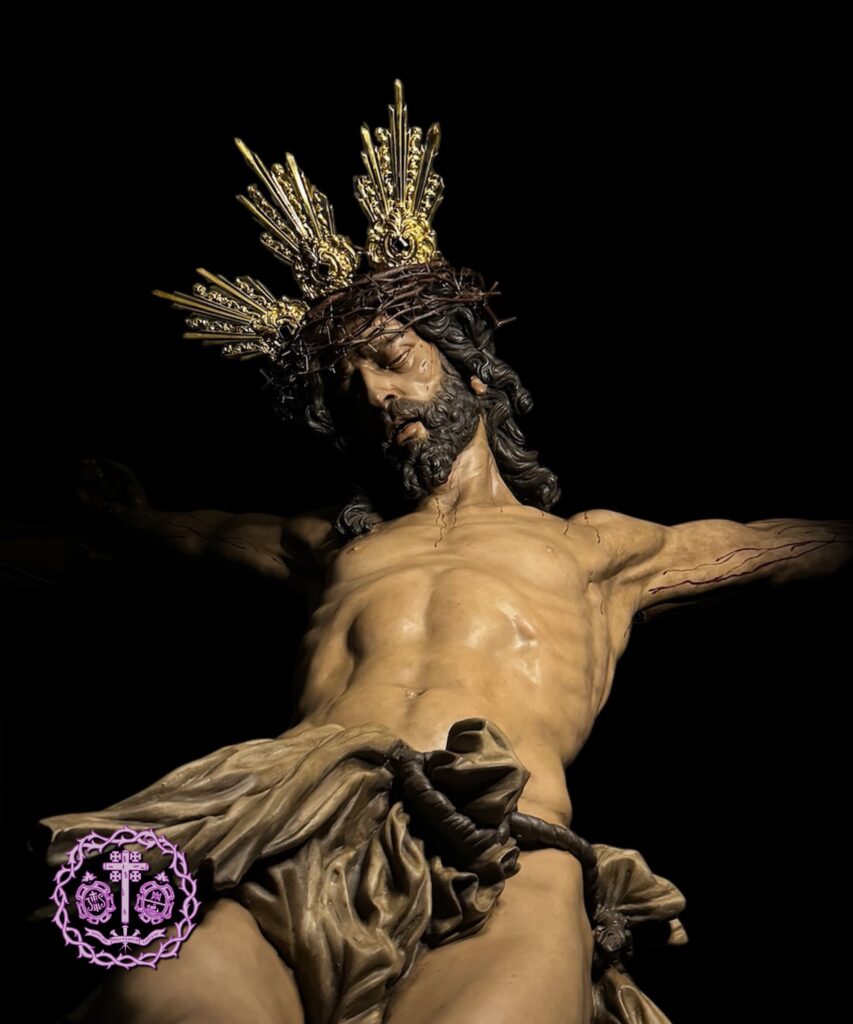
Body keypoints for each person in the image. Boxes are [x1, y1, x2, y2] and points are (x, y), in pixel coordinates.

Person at [24, 81, 853, 1024]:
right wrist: (134, 519)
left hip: (503, 844)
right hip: (292, 825)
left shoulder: (591, 547)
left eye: (392, 359)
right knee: (158, 1003)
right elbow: (199, 539)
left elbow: (778, 546)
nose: (376, 395)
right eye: (350, 387)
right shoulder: (332, 547)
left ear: (471, 370)